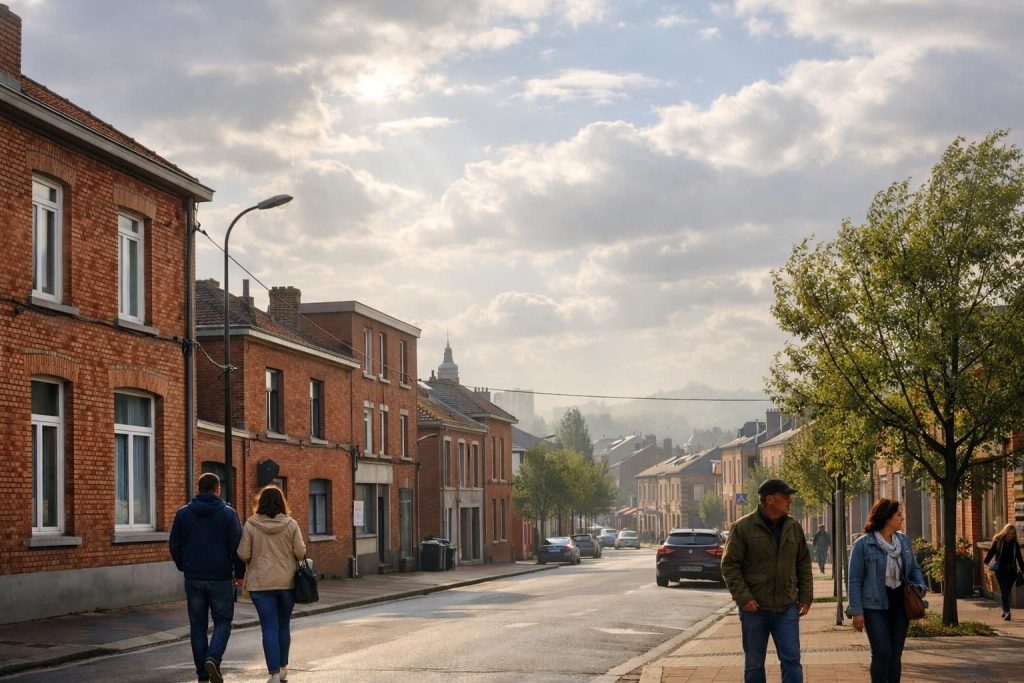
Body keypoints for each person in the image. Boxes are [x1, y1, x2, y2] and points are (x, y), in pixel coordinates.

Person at [722, 479, 813, 683]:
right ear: (769, 499)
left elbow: (803, 564)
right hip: (754, 609)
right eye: (785, 496)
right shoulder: (743, 527)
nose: (790, 500)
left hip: (787, 607)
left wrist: (806, 597)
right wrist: (744, 598)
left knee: (792, 660)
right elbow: (729, 566)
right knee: (754, 664)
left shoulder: (793, 527)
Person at [169, 473, 245, 683]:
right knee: (223, 621)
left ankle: (202, 673)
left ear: (198, 489)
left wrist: (184, 566)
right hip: (220, 578)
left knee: (198, 626)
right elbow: (237, 547)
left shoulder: (183, 514)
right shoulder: (229, 514)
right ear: (217, 490)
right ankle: (212, 658)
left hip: (193, 578)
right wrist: (239, 574)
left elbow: (174, 544)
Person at [847, 498, 927, 683]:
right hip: (874, 605)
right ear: (886, 517)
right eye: (898, 514)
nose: (902, 518)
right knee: (882, 652)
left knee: (895, 655)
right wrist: (857, 612)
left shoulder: (904, 541)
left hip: (901, 604)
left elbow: (914, 568)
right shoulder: (863, 545)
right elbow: (854, 580)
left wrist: (920, 587)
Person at [238, 485, 307, 683]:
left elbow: (243, 554)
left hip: (261, 584)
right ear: (281, 502)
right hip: (287, 583)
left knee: (268, 628)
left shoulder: (251, 525)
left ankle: (274, 673)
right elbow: (300, 552)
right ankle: (284, 668)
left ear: (260, 502)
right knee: (283, 626)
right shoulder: (291, 524)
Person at [983, 523, 1024, 621]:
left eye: (1012, 534)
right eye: (1009, 533)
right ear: (1005, 532)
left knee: (1007, 591)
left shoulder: (1015, 545)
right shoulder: (998, 542)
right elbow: (989, 555)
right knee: (1004, 590)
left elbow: (1019, 559)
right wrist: (988, 564)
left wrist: (1023, 571)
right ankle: (1007, 612)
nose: (1010, 535)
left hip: (1012, 572)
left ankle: (1004, 610)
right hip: (1000, 571)